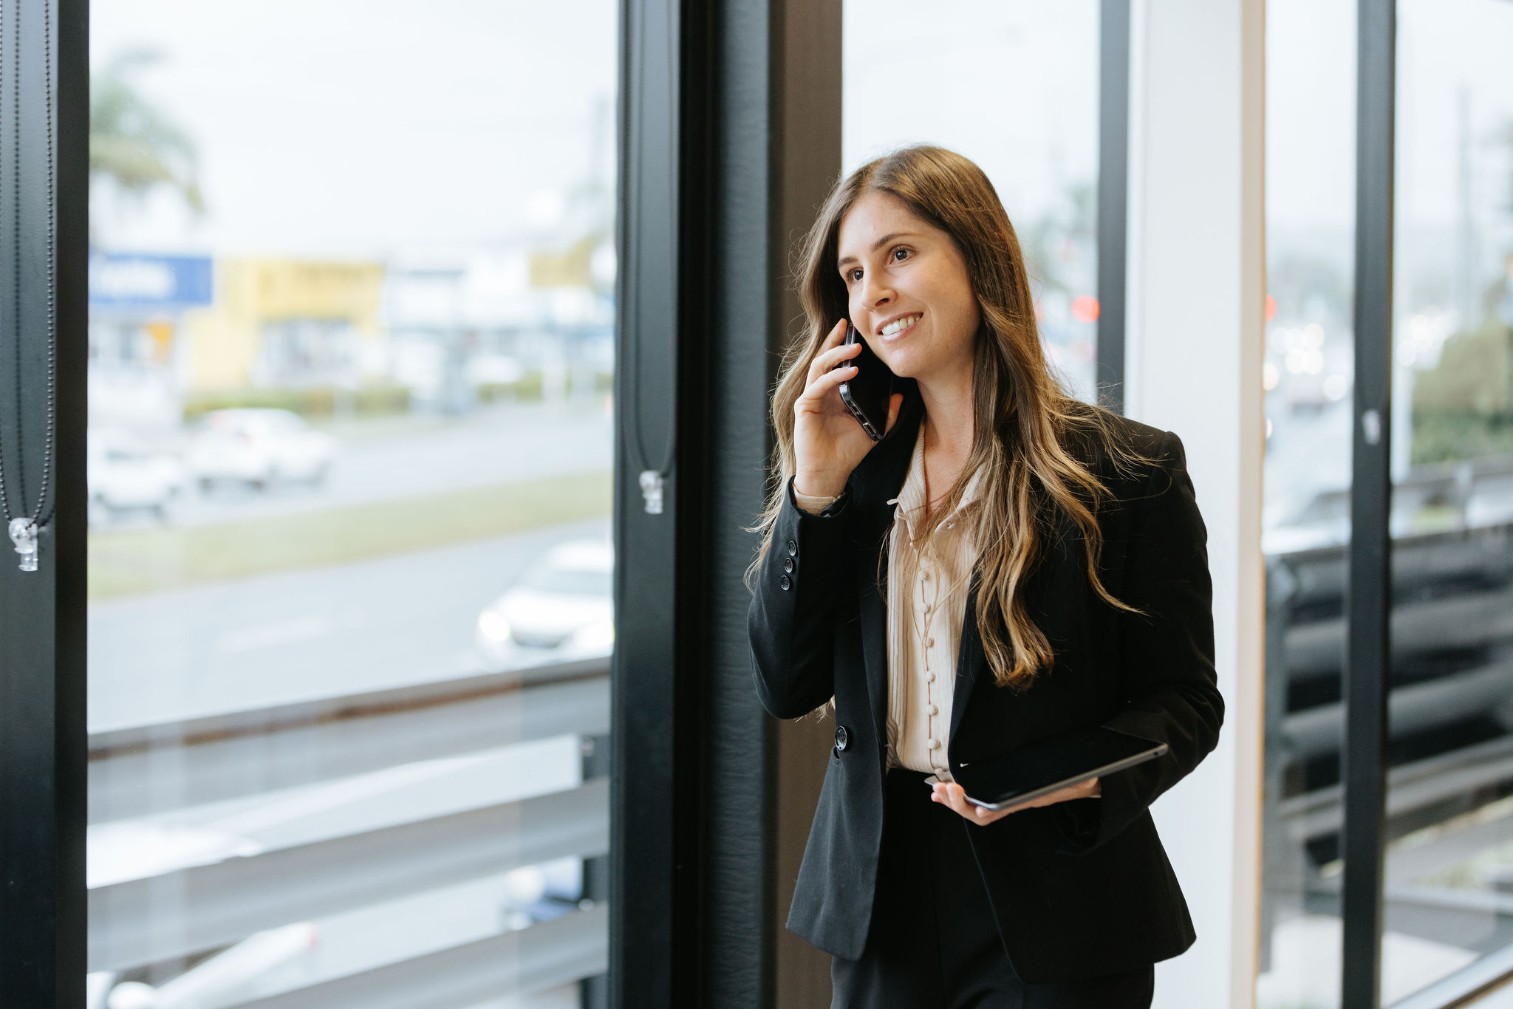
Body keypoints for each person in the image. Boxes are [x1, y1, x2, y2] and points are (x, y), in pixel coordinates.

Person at [746, 145, 1224, 1009]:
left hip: (1059, 898)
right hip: (879, 893)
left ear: (978, 255)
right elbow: (784, 681)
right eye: (853, 273)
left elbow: (1184, 705)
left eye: (899, 253)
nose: (874, 292)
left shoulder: (1126, 470)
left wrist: (1054, 781)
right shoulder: (854, 477)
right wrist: (811, 489)